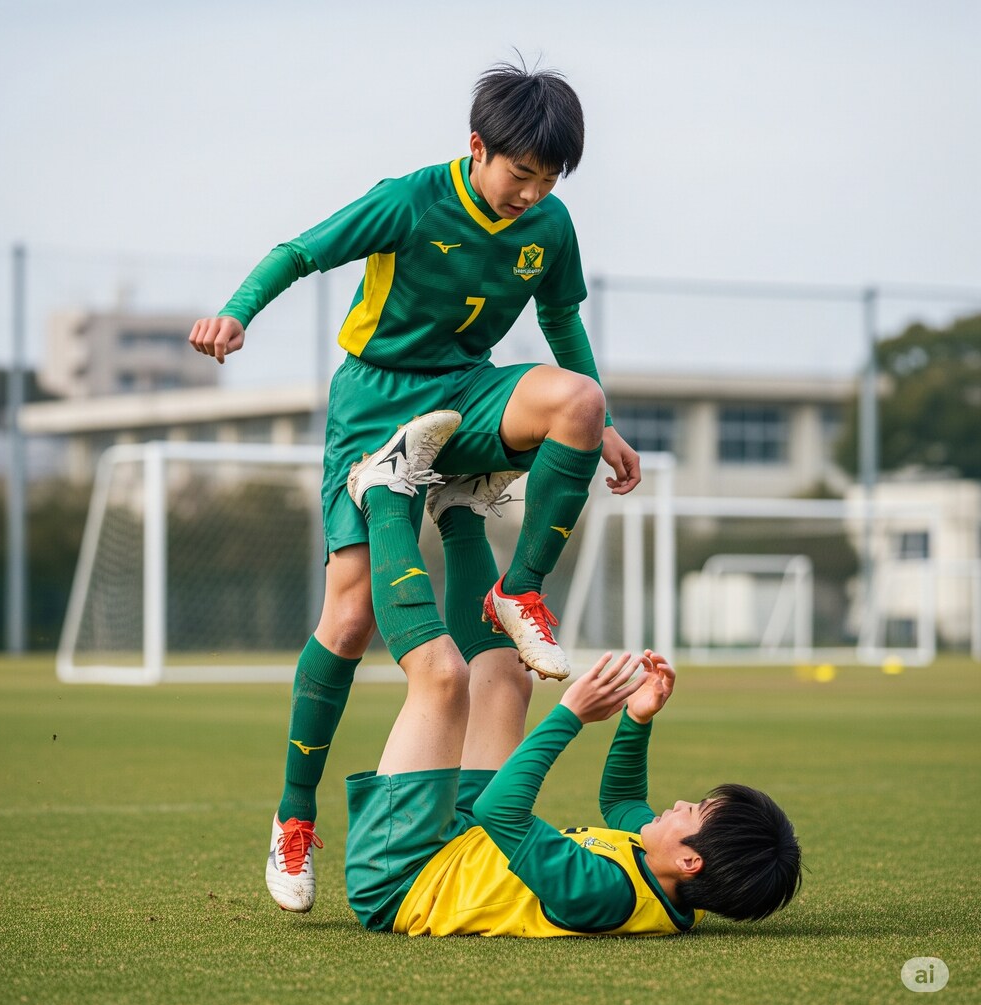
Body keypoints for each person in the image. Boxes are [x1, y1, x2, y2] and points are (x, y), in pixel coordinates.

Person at [189, 59, 641, 913]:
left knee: (578, 403)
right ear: (478, 148)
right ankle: (293, 816)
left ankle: (522, 593)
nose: (531, 193)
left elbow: (559, 321)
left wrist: (605, 428)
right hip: (375, 402)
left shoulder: (552, 224)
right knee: (351, 619)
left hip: (465, 393)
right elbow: (302, 251)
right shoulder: (412, 198)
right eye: (520, 173)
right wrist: (237, 314)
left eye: (549, 179)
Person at [346, 650, 803, 936]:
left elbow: (499, 811)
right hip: (463, 843)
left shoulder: (604, 893)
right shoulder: (681, 889)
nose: (683, 803)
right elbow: (622, 804)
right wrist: (637, 719)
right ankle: (461, 513)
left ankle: (383, 500)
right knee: (507, 673)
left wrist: (571, 715)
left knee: (441, 677)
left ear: (691, 861)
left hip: (405, 877)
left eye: (696, 812)